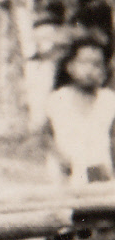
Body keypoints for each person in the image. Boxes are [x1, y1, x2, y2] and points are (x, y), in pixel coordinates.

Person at [43, 36, 115, 185]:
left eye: (96, 64)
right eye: (83, 63)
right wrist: (60, 157)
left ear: (104, 70)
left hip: (99, 172)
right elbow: (45, 134)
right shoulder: (58, 99)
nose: (89, 70)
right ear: (70, 67)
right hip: (65, 174)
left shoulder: (108, 101)